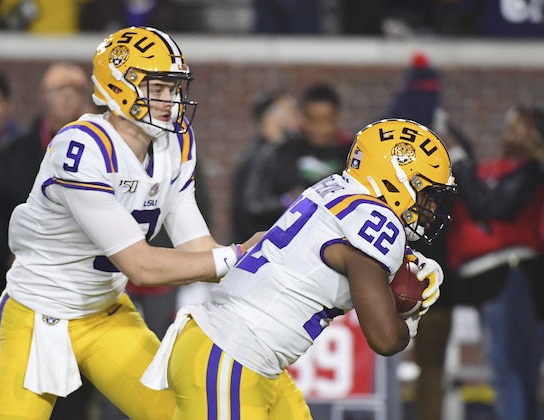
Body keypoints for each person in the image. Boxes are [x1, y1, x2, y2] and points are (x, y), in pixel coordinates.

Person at [0, 26, 261, 419]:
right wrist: (236, 257)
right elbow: (141, 266)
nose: (171, 101)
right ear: (120, 86)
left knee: (182, 413)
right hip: (38, 313)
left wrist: (265, 261)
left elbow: (196, 245)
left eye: (175, 89)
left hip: (105, 313)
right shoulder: (81, 148)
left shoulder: (176, 140)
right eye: (160, 88)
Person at [141, 118, 457, 419]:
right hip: (232, 354)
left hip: (241, 354)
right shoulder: (376, 220)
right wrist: (409, 316)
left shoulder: (336, 190)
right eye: (426, 193)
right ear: (395, 180)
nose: (430, 207)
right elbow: (385, 339)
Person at [0, 63, 98, 420]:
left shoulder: (104, 151)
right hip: (29, 286)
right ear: (42, 97)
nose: (66, 97)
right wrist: (9, 258)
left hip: (83, 290)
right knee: (25, 386)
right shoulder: (14, 153)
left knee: (75, 394)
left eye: (74, 90)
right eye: (58, 90)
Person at [385, 51, 471, 420]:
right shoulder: (444, 151)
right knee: (426, 367)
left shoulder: (386, 143)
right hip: (429, 269)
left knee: (392, 362)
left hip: (388, 266)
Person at [446, 105, 544, 420]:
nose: (507, 134)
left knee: (512, 368)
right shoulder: (506, 169)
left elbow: (490, 206)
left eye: (515, 127)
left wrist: (461, 163)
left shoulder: (530, 170)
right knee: (516, 368)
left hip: (514, 274)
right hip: (494, 276)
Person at [235, 83, 353, 240]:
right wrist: (289, 200)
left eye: (326, 120)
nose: (319, 128)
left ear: (336, 118)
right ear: (302, 117)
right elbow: (253, 205)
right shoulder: (282, 151)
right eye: (312, 120)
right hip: (284, 244)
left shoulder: (349, 156)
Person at [231, 89, 302, 243]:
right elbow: (252, 205)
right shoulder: (261, 156)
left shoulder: (287, 150)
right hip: (258, 247)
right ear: (272, 117)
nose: (298, 116)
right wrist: (288, 200)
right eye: (290, 110)